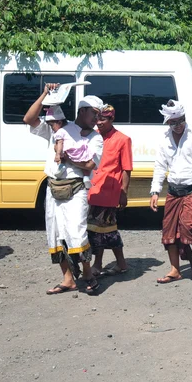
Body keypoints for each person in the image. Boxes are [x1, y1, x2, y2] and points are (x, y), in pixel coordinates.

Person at [23, 85, 104, 295]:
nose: (97, 119)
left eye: (100, 115)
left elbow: (89, 166)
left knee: (76, 233)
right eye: (94, 114)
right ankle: (68, 279)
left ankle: (87, 274)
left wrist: (68, 157)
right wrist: (44, 94)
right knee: (56, 234)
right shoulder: (58, 130)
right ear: (82, 111)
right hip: (53, 188)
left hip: (76, 189)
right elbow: (28, 119)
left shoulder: (95, 137)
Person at [150, 100, 192, 283]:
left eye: (181, 121)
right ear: (167, 123)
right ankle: (175, 269)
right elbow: (160, 166)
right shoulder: (164, 139)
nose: (178, 126)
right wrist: (155, 190)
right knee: (168, 230)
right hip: (173, 190)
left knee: (189, 225)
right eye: (173, 123)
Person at [88, 105, 132, 277]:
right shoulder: (94, 137)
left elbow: (126, 169)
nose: (98, 123)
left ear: (112, 119)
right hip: (93, 189)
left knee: (100, 229)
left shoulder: (123, 139)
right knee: (105, 229)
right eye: (97, 119)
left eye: (103, 119)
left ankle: (98, 264)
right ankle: (120, 264)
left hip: (109, 192)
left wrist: (123, 193)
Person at [53, 119, 94, 189]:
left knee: (57, 148)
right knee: (84, 163)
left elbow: (60, 143)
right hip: (79, 149)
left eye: (51, 126)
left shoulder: (60, 131)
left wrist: (58, 154)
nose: (52, 128)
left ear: (59, 123)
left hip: (69, 150)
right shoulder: (74, 126)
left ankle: (61, 166)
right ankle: (86, 177)